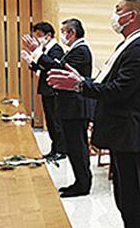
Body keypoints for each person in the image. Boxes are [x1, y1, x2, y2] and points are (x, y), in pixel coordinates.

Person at [48, 0, 140, 228]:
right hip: (121, 132)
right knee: (123, 194)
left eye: (118, 9)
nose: (115, 14)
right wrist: (83, 81)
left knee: (130, 196)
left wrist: (80, 86)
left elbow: (120, 91)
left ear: (131, 16)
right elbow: (109, 81)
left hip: (130, 133)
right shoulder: (129, 44)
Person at [23, 19, 94, 197]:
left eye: (63, 31)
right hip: (70, 105)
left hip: (76, 106)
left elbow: (59, 68)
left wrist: (37, 52)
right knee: (73, 146)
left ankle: (83, 184)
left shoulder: (81, 50)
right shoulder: (75, 49)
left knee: (77, 147)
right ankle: (79, 181)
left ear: (72, 33)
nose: (61, 35)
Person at [22, 22, 65, 161]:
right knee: (51, 122)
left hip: (54, 91)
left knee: (56, 122)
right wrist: (30, 61)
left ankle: (61, 150)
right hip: (46, 90)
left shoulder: (56, 49)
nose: (37, 39)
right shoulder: (45, 49)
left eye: (39, 35)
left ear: (48, 35)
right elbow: (42, 69)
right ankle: (54, 148)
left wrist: (36, 53)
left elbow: (53, 66)